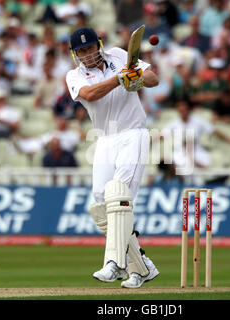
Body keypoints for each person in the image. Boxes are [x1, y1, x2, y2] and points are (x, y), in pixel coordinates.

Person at [65, 27, 159, 288]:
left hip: (133, 133)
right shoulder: (74, 76)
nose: (88, 54)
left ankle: (114, 264)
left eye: (90, 47)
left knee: (120, 197)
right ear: (75, 54)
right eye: (81, 50)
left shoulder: (119, 55)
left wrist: (137, 77)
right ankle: (141, 267)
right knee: (101, 204)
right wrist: (120, 79)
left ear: (99, 45)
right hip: (104, 140)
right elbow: (89, 95)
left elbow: (153, 80)